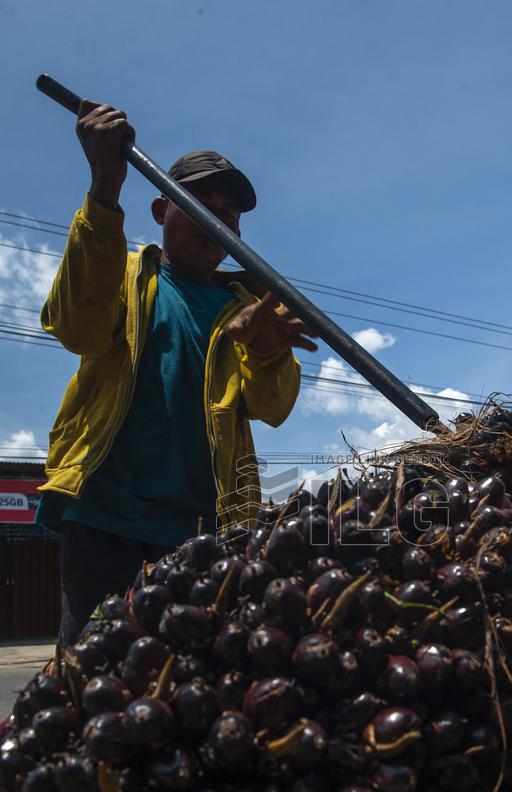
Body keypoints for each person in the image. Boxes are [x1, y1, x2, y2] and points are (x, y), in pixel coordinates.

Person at [36, 100, 317, 649]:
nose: (218, 220)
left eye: (229, 214)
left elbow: (272, 407)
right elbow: (78, 329)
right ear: (162, 209)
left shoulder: (250, 307)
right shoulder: (123, 275)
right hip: (105, 519)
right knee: (94, 681)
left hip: (205, 537)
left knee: (189, 686)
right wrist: (103, 189)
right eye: (200, 204)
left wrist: (267, 353)